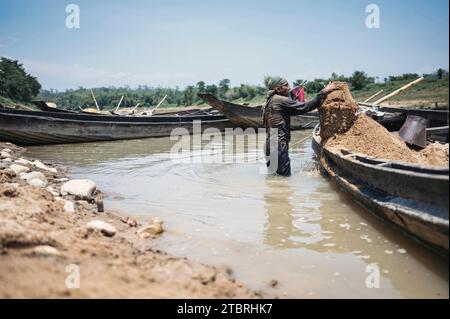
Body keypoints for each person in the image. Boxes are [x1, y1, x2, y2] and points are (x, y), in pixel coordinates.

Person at [262, 76, 338, 176]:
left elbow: (285, 111)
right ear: (278, 89)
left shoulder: (269, 102)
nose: (289, 87)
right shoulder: (280, 100)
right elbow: (306, 107)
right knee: (284, 180)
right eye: (286, 85)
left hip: (269, 146)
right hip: (278, 146)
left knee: (274, 179)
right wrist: (324, 91)